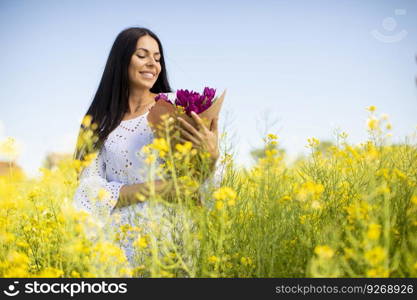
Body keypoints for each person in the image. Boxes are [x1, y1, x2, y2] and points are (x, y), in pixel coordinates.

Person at [72, 27, 220, 267]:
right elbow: (89, 192)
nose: (152, 63)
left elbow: (197, 183)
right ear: (121, 60)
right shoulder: (100, 122)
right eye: (142, 55)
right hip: (119, 247)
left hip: (173, 241)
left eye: (157, 58)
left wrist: (212, 156)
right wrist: (155, 189)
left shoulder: (175, 107)